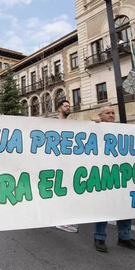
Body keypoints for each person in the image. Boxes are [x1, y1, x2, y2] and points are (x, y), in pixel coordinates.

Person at [92, 106, 135, 253]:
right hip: (104, 174)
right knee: (103, 207)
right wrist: (93, 123)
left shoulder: (122, 129)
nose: (111, 115)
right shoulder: (95, 127)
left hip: (122, 174)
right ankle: (99, 237)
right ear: (100, 116)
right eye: (107, 113)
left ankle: (124, 237)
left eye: (113, 113)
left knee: (124, 206)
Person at [54, 100, 78, 234]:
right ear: (59, 108)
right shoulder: (53, 123)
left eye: (69, 106)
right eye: (65, 106)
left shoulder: (72, 124)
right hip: (57, 163)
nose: (68, 108)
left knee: (68, 191)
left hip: (69, 163)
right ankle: (60, 221)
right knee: (60, 191)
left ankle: (66, 218)